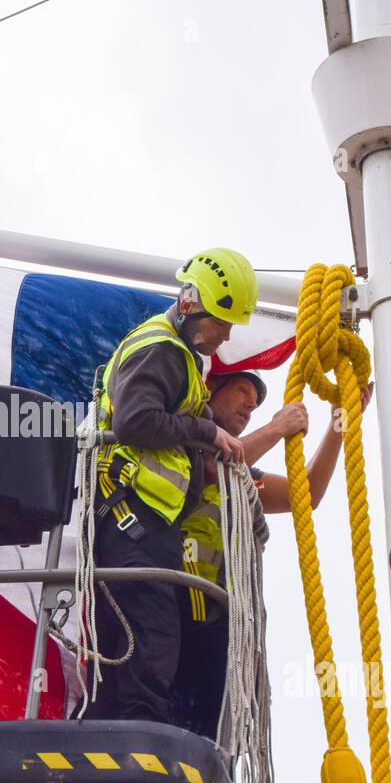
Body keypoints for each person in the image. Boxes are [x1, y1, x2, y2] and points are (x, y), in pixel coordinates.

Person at [81, 248, 256, 722]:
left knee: (130, 637)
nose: (224, 334)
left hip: (139, 521)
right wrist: (206, 431)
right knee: (153, 638)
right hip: (133, 518)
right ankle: (140, 750)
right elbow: (138, 421)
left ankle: (108, 738)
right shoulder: (163, 349)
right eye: (220, 321)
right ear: (188, 302)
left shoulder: (177, 355)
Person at [171, 368, 374, 737]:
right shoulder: (182, 442)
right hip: (170, 608)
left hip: (221, 618)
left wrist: (339, 423)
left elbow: (307, 492)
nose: (251, 404)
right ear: (210, 390)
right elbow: (212, 466)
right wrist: (278, 427)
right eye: (242, 391)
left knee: (213, 729)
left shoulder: (244, 477)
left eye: (257, 401)